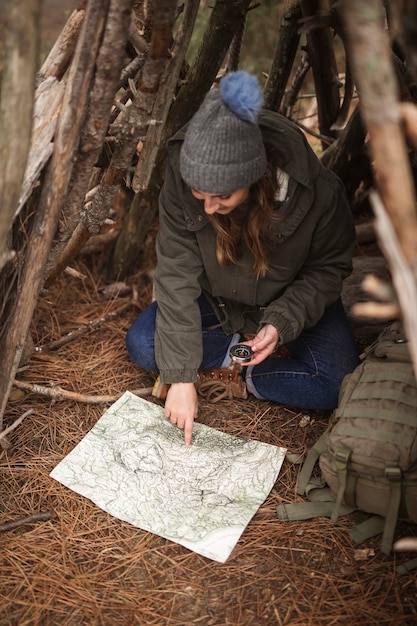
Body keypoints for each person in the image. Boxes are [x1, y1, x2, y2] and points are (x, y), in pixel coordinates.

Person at [126, 71, 359, 445]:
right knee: (143, 344)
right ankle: (229, 355)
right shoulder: (181, 177)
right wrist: (182, 377)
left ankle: (246, 375)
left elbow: (328, 270)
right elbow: (175, 274)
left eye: (222, 197)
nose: (209, 207)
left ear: (253, 178)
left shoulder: (319, 194)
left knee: (336, 382)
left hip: (286, 297)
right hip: (216, 298)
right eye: (199, 193)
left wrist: (282, 321)